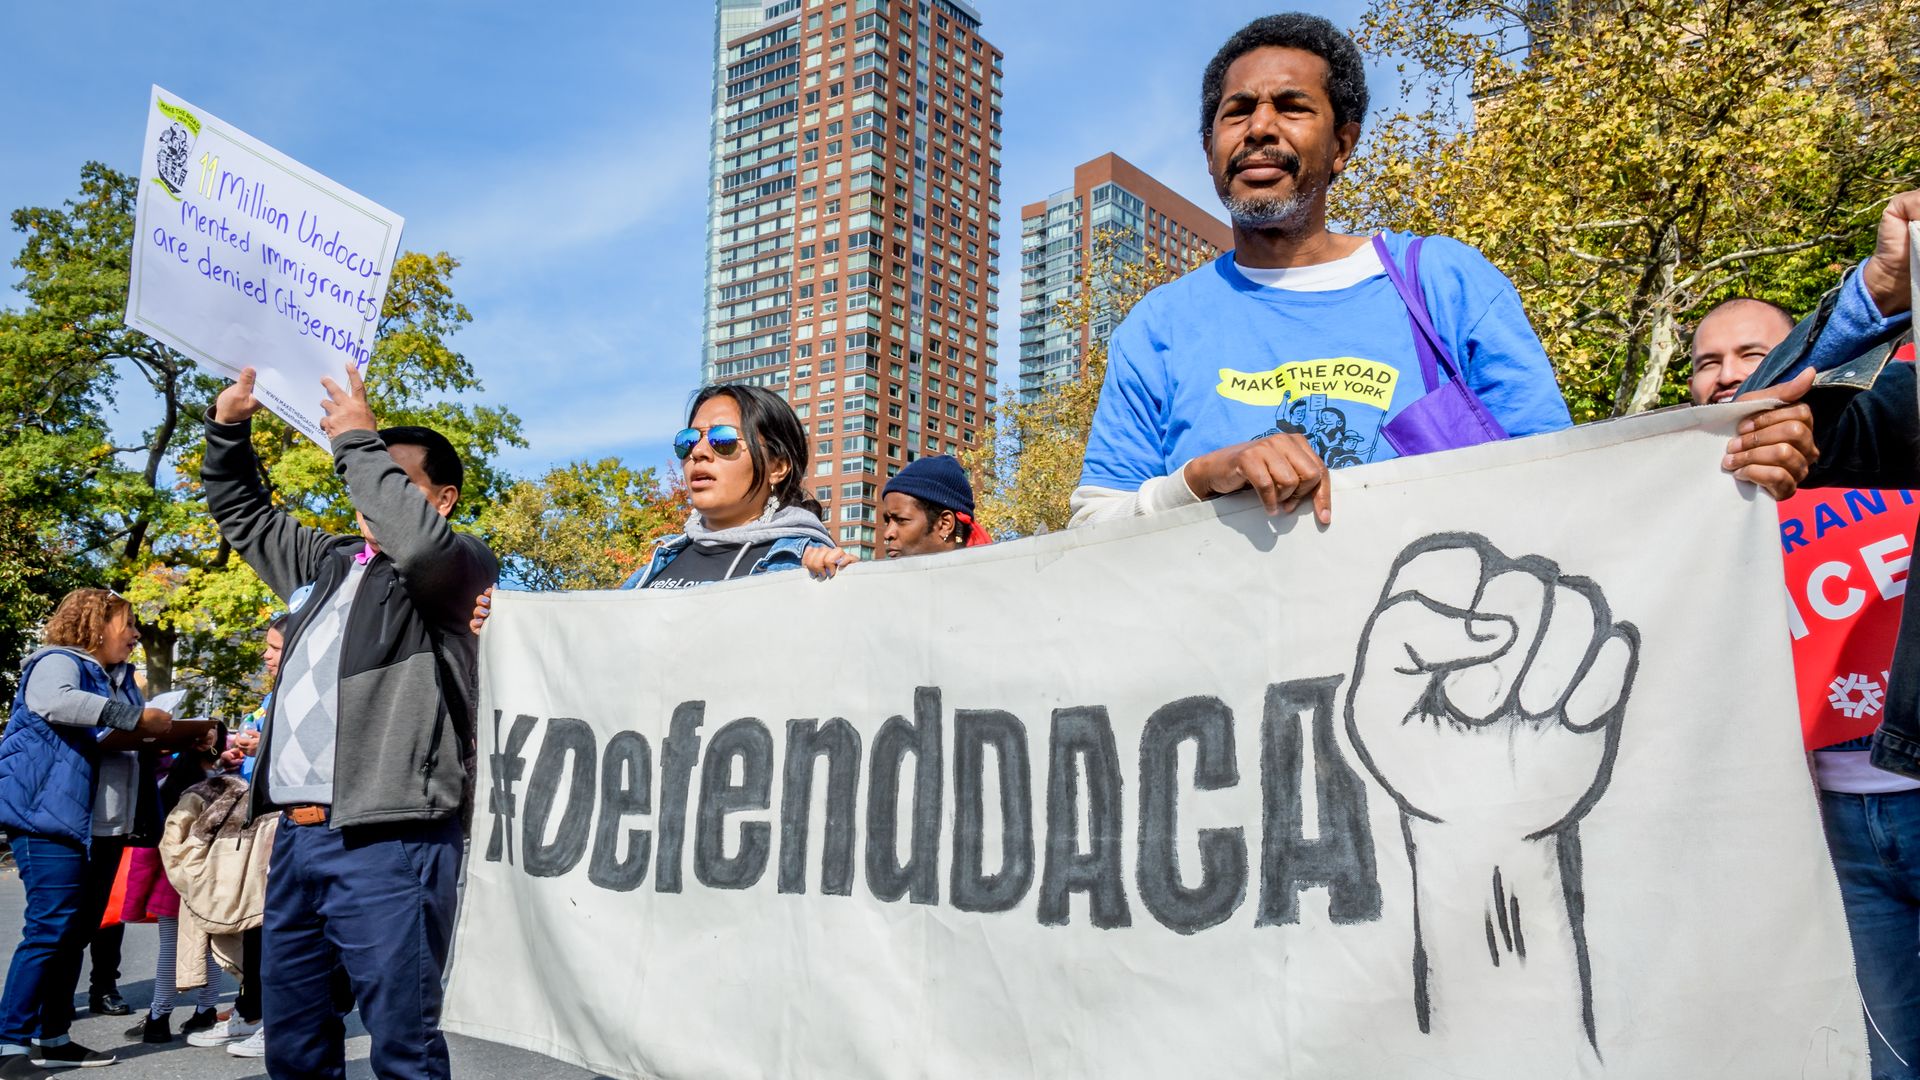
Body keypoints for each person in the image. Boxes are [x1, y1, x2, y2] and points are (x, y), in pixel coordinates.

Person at [1071, 12, 1818, 527]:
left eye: (1292, 106)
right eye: (1237, 112)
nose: (1260, 127)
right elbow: (1094, 526)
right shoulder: (1158, 328)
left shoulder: (1446, 283)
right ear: (1210, 149)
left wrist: (1728, 460)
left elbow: (1558, 481)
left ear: (1343, 144)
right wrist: (1203, 477)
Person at [202, 364, 499, 1080]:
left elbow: (418, 543)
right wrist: (229, 429)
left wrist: (357, 438)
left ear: (443, 498)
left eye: (393, 479)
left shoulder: (455, 566)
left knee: (403, 1046)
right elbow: (244, 515)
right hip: (298, 844)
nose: (369, 491)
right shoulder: (329, 562)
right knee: (296, 1046)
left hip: (390, 840)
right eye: (365, 475)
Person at [1739, 192, 1918, 1078]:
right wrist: (1885, 281)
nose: (1728, 373)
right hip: (1838, 817)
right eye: (1711, 360)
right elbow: (1765, 409)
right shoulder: (1751, 474)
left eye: (1746, 351)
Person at [0, 589, 206, 1074]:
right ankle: (10, 1044)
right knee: (50, 929)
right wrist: (136, 716)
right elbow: (56, 703)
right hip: (50, 822)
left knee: (76, 932)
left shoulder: (121, 679)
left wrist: (185, 737)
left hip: (107, 827)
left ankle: (53, 1036)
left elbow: (128, 744)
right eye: (128, 624)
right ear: (96, 624)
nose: (136, 635)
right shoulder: (56, 661)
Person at [470, 384, 833, 628]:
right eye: (688, 440)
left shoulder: (800, 561)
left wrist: (832, 586)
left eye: (723, 440)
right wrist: (509, 627)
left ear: (778, 466)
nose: (699, 453)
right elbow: (596, 649)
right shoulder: (662, 561)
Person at [121, 731, 231, 1043]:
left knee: (170, 950)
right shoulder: (228, 787)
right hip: (214, 880)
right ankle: (205, 1009)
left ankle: (159, 1015)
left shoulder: (172, 786)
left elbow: (156, 845)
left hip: (174, 879)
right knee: (210, 947)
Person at [802, 455, 991, 578]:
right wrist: (855, 583)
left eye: (901, 520)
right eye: (887, 521)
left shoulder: (993, 588)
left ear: (945, 524)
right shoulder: (886, 587)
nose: (888, 534)